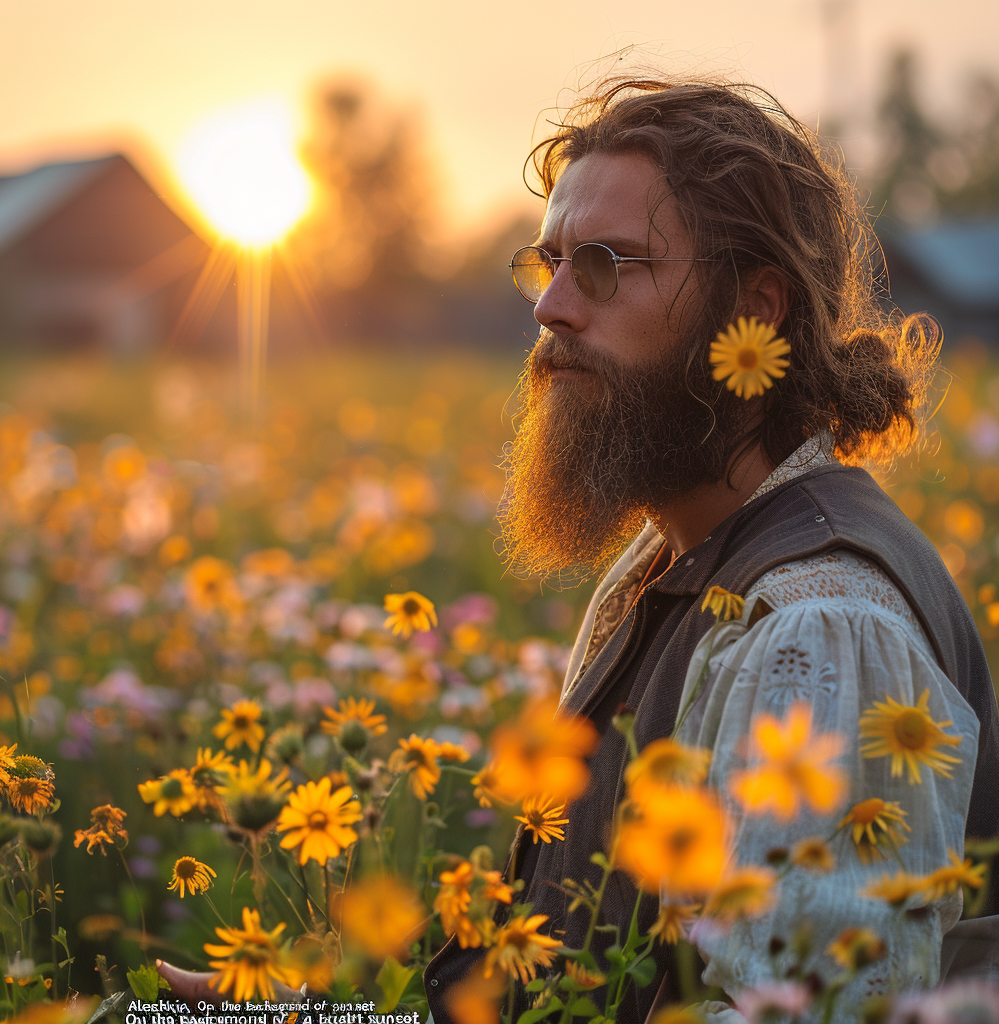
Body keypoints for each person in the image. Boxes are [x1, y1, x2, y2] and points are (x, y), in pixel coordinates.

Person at [423, 75, 999, 1023]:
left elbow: (804, 1008)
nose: (553, 307)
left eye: (607, 265)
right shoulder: (670, 556)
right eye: (551, 261)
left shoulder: (819, 625)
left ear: (758, 308)